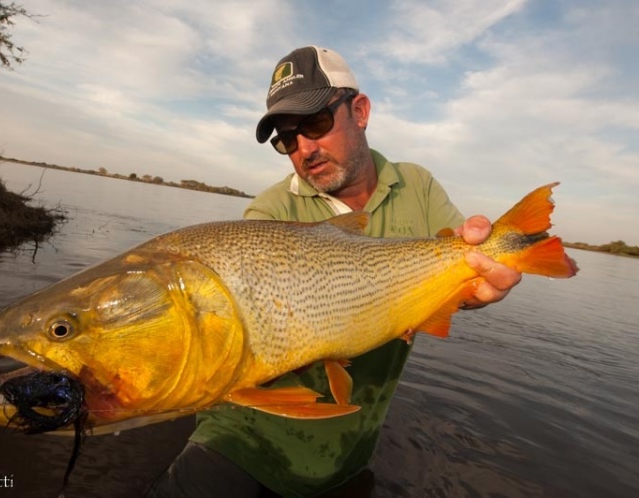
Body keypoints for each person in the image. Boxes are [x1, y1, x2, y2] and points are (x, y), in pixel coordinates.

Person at [146, 46, 522, 498]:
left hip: (349, 452)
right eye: (287, 138)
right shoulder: (270, 212)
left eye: (316, 123)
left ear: (359, 111)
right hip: (240, 440)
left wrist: (479, 284)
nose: (304, 148)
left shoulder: (416, 185)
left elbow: (455, 275)